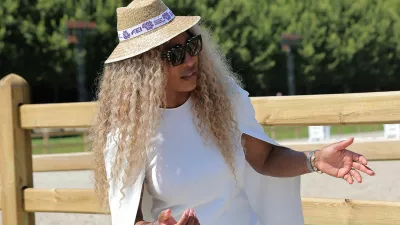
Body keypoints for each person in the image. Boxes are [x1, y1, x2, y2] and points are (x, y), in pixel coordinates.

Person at [88, 1, 376, 225]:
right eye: (175, 55)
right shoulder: (126, 137)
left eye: (192, 45)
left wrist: (313, 160)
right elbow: (130, 217)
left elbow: (266, 158)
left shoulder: (221, 103)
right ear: (143, 70)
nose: (190, 60)